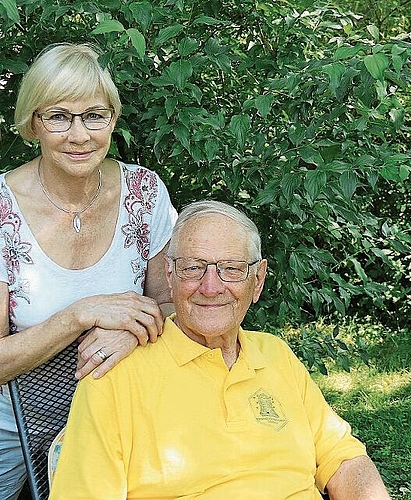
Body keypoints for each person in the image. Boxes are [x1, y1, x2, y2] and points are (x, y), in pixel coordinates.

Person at [0, 42, 177, 499]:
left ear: (113, 119)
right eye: (59, 116)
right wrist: (81, 314)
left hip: (106, 411)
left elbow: (169, 303)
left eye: (94, 115)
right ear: (32, 124)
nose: (79, 135)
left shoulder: (145, 194)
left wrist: (131, 331)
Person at [49, 200, 392, 500]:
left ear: (257, 281)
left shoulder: (275, 355)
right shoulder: (114, 375)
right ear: (169, 276)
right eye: (194, 268)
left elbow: (343, 457)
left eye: (231, 269)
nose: (211, 287)